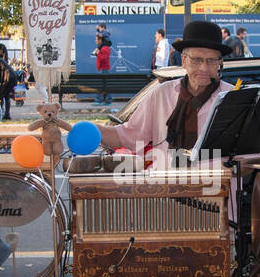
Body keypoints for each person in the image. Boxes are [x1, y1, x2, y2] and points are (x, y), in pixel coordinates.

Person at [95, 19, 234, 166]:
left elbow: (247, 160)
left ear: (220, 63)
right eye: (197, 60)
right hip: (166, 187)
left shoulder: (232, 98)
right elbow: (127, 135)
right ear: (184, 60)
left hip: (216, 187)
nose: (204, 68)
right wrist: (89, 130)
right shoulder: (160, 95)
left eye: (212, 61)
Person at [94, 32, 111, 105]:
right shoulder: (103, 48)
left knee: (104, 85)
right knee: (102, 85)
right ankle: (101, 100)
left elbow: (103, 58)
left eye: (97, 40)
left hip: (104, 69)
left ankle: (106, 100)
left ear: (100, 40)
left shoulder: (105, 48)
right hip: (102, 69)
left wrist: (98, 53)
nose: (95, 41)